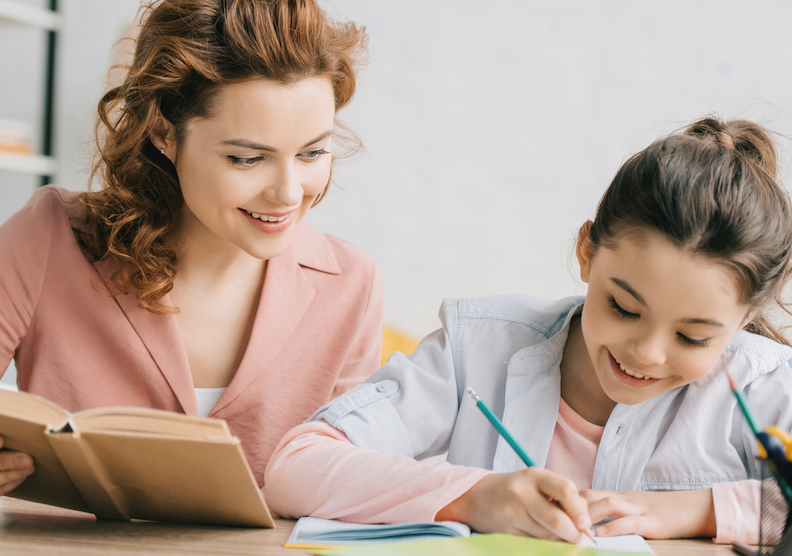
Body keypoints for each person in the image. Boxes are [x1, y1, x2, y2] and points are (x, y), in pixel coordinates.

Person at [264, 117, 792, 545]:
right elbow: (295, 466)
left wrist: (697, 510)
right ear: (587, 252)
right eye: (625, 308)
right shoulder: (481, 347)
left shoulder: (759, 384)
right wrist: (476, 496)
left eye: (693, 337)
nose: (648, 352)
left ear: (744, 320)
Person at [0, 0, 382, 497]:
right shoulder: (51, 235)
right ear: (163, 130)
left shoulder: (350, 284)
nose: (289, 193)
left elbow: (346, 488)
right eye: (247, 158)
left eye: (313, 152)